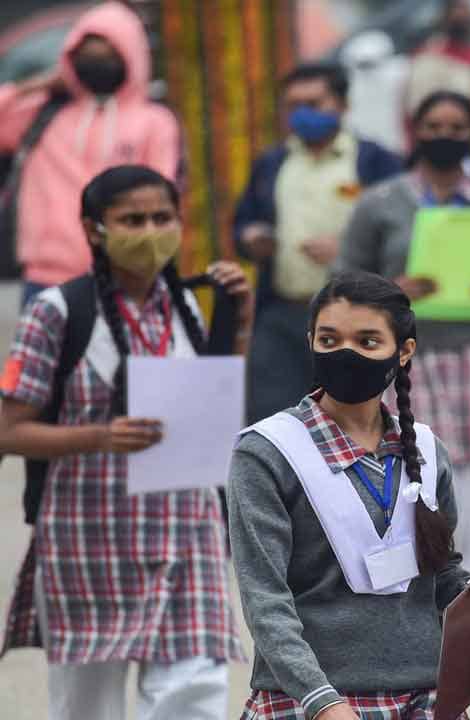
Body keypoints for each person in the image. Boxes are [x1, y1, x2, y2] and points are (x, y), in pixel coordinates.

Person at [0, 165, 251, 719]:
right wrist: (98, 437)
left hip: (186, 532)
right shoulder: (57, 312)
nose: (149, 230)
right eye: (131, 219)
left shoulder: (187, 305)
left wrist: (239, 320)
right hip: (88, 540)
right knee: (86, 706)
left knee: (194, 693)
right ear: (94, 230)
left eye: (162, 217)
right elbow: (8, 429)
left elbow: (209, 405)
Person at [228, 271, 470, 719]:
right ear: (310, 341)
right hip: (308, 701)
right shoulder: (267, 452)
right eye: (329, 340)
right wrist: (321, 701)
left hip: (426, 698)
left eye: (368, 342)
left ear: (404, 351)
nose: (345, 354)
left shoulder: (427, 450)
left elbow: (441, 573)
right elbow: (264, 597)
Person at [338, 90, 470, 572]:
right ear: (415, 132)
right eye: (434, 126)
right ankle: (435, 576)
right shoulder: (381, 202)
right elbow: (341, 284)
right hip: (412, 358)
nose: (445, 136)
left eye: (457, 128)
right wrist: (391, 289)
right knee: (424, 466)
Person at [233, 62, 401, 425]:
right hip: (282, 313)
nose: (304, 113)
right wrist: (251, 238)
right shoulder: (272, 163)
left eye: (314, 102)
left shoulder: (375, 161)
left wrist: (346, 249)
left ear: (342, 104)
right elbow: (243, 222)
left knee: (349, 419)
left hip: (355, 317)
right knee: (272, 420)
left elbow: (401, 232)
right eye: (294, 105)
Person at [0, 1, 179, 306]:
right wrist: (38, 86)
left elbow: (160, 195)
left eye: (108, 52)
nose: (96, 61)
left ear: (131, 57)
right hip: (45, 278)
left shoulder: (154, 122)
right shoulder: (44, 113)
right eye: (86, 53)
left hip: (124, 276)